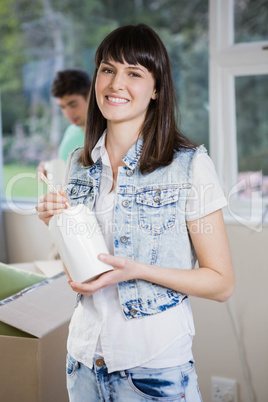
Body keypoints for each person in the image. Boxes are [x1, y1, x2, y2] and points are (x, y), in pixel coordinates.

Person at [36, 24, 235, 401]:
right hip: (83, 363)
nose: (115, 84)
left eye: (134, 73)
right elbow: (81, 272)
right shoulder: (76, 164)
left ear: (157, 89)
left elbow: (221, 283)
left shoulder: (190, 166)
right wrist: (57, 225)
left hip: (154, 368)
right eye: (108, 69)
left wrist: (137, 271)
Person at [37, 69, 91, 179]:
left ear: (91, 96)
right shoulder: (70, 132)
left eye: (73, 105)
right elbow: (65, 178)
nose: (68, 113)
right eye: (62, 107)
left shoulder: (108, 137)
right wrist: (49, 172)